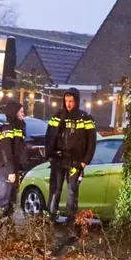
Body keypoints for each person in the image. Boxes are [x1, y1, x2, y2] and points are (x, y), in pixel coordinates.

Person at [45, 87, 97, 224]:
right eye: (66, 101)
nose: (68, 104)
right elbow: (49, 136)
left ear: (77, 101)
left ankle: (70, 221)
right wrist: (50, 154)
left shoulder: (85, 118)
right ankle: (51, 218)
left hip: (75, 162)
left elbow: (92, 141)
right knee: (55, 189)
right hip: (58, 159)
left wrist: (85, 161)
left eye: (71, 101)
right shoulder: (57, 116)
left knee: (71, 192)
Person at [0, 99, 27, 223]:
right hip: (6, 167)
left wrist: (20, 168)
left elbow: (19, 150)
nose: (23, 114)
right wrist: (11, 171)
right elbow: (6, 151)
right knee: (3, 197)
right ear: (14, 113)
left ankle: (7, 222)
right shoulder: (7, 129)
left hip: (14, 168)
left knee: (12, 198)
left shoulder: (18, 128)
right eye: (21, 111)